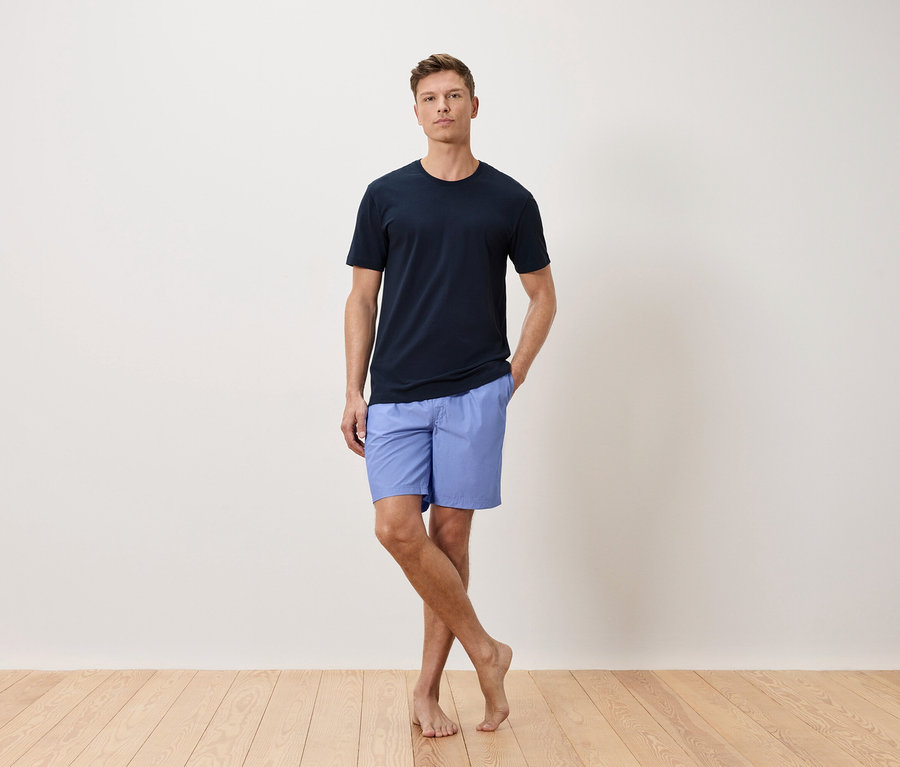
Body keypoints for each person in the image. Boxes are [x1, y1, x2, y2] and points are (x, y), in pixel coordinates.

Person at [341, 53, 556, 737]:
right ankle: (487, 650)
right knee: (396, 528)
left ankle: (427, 691)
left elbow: (543, 296)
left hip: (474, 391)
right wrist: (352, 389)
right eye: (431, 97)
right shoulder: (385, 195)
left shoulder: (510, 200)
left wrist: (513, 374)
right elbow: (362, 297)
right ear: (416, 112)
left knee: (451, 538)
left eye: (454, 95)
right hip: (396, 393)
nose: (442, 106)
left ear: (473, 106)